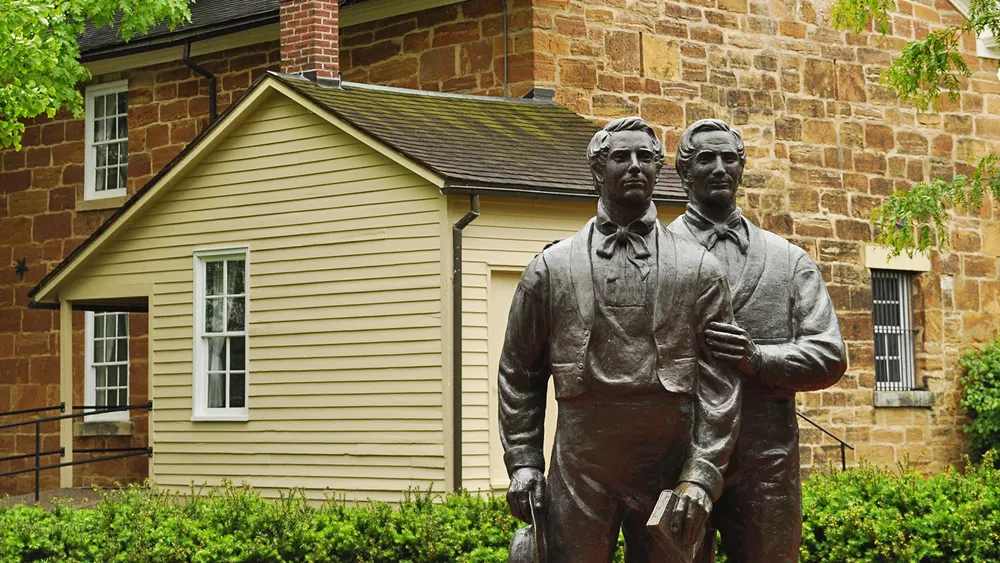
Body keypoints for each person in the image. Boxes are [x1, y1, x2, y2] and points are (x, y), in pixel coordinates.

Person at [499, 117, 742, 562]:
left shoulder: (700, 269)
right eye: (621, 157)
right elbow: (519, 373)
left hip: (669, 458)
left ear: (658, 170)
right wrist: (525, 461)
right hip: (582, 459)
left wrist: (701, 475)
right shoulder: (551, 269)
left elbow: (721, 385)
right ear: (597, 170)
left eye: (645, 158)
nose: (634, 166)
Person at [666, 119, 847, 563]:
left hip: (767, 455)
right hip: (676, 452)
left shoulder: (789, 262)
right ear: (684, 171)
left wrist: (760, 358)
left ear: (742, 169)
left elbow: (830, 353)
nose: (719, 167)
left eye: (729, 158)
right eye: (706, 158)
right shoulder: (657, 254)